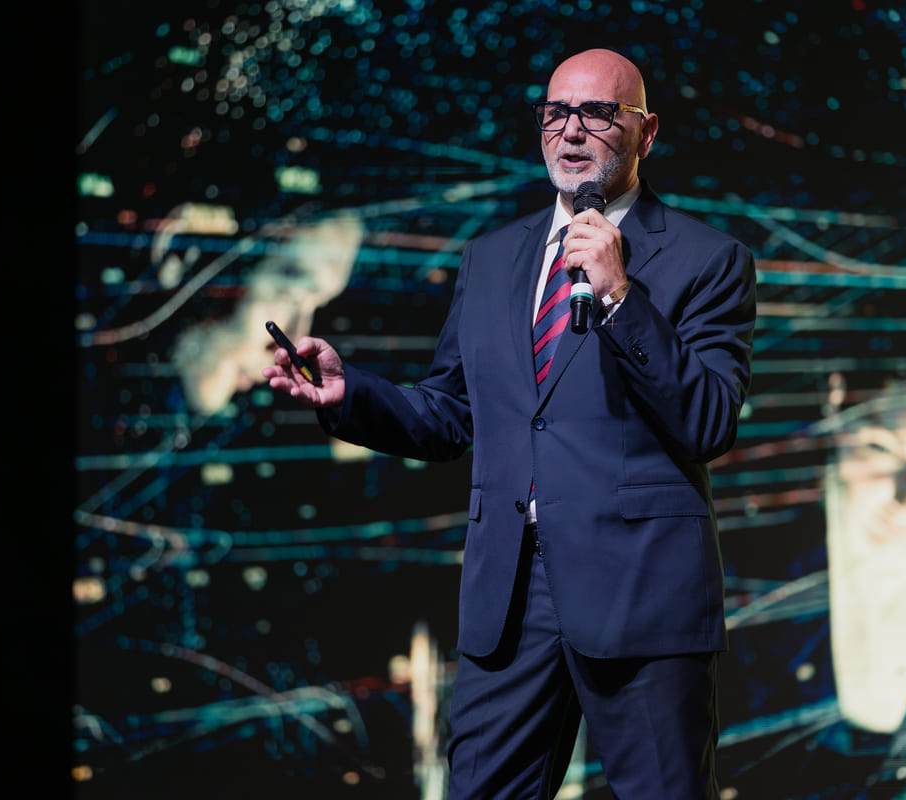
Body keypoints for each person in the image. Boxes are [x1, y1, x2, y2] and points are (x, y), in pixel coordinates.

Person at [264, 48, 757, 798]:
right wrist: (347, 394)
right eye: (556, 113)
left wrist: (620, 297)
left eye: (598, 113)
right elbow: (451, 413)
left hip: (641, 595)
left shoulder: (707, 259)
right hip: (511, 598)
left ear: (647, 131)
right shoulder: (492, 258)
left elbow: (709, 421)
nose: (572, 131)